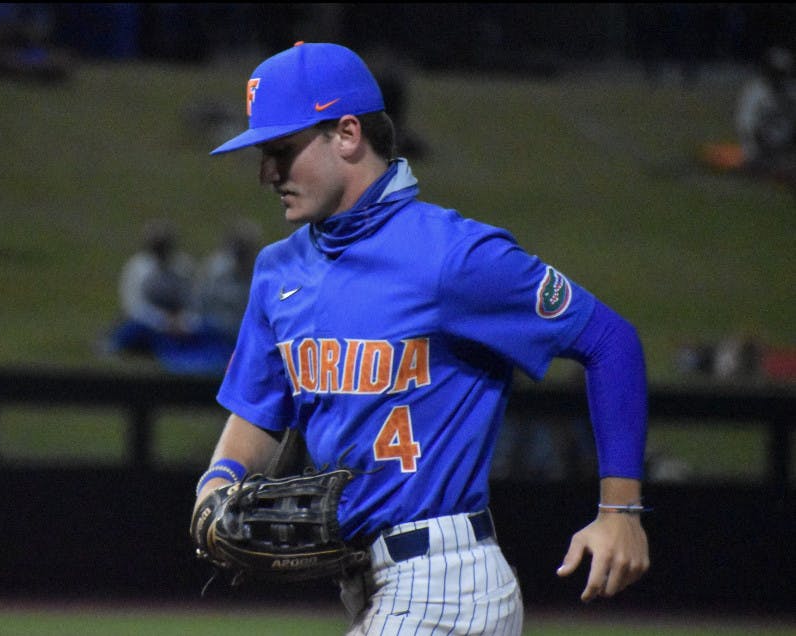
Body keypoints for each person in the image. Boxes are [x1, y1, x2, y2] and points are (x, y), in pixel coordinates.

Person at [193, 42, 649, 634]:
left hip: (445, 582)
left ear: (348, 134)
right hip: (365, 584)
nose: (267, 173)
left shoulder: (452, 257)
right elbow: (257, 412)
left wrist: (621, 509)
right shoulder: (279, 272)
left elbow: (610, 341)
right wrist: (217, 483)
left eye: (281, 150)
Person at [193, 218, 263, 346]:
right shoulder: (214, 270)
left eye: (247, 249)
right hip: (215, 331)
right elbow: (201, 303)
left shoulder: (262, 272)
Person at [735, 46, 796, 171]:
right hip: (760, 149)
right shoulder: (755, 92)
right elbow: (746, 125)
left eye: (782, 73)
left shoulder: (791, 91)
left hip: (785, 147)